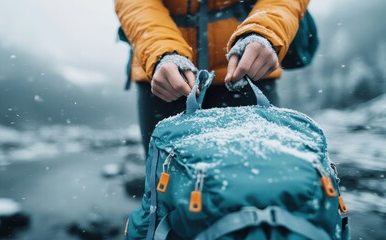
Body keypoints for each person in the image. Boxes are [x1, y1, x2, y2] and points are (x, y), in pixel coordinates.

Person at [115, 0, 310, 156]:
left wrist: (264, 31)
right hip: (168, 74)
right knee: (168, 188)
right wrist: (161, 51)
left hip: (247, 65)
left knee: (255, 180)